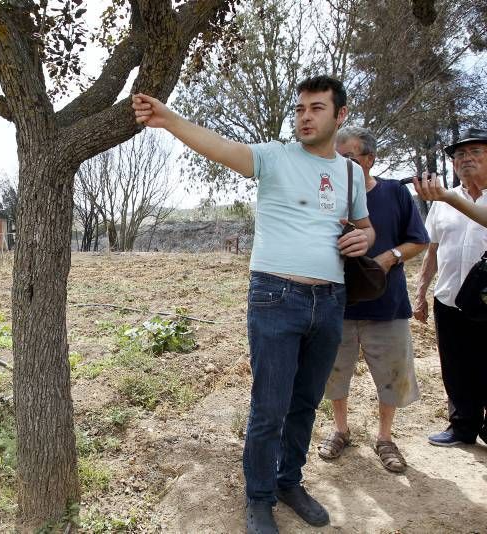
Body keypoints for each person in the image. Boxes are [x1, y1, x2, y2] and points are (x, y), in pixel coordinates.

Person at [133, 75, 374, 534]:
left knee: (305, 403)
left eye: (317, 108)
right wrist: (168, 119)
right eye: (301, 108)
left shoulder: (350, 173)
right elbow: (220, 146)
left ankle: (289, 482)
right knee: (270, 406)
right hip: (275, 297)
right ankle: (259, 498)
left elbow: (365, 225)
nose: (305, 116)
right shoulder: (274, 156)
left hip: (330, 301)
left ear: (340, 116)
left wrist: (366, 237)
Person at [318, 127, 429, 473]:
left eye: (349, 157)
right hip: (337, 304)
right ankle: (340, 430)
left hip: (387, 305)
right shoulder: (327, 196)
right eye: (336, 157)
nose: (341, 164)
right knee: (334, 372)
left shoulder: (394, 193)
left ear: (369, 159)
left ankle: (385, 438)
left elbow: (419, 240)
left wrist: (389, 256)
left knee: (392, 374)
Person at [414, 127, 487, 447]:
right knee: (456, 366)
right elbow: (432, 250)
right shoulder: (443, 203)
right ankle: (462, 427)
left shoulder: (448, 198)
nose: (466, 159)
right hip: (449, 298)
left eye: (475, 153)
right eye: (459, 155)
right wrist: (421, 293)